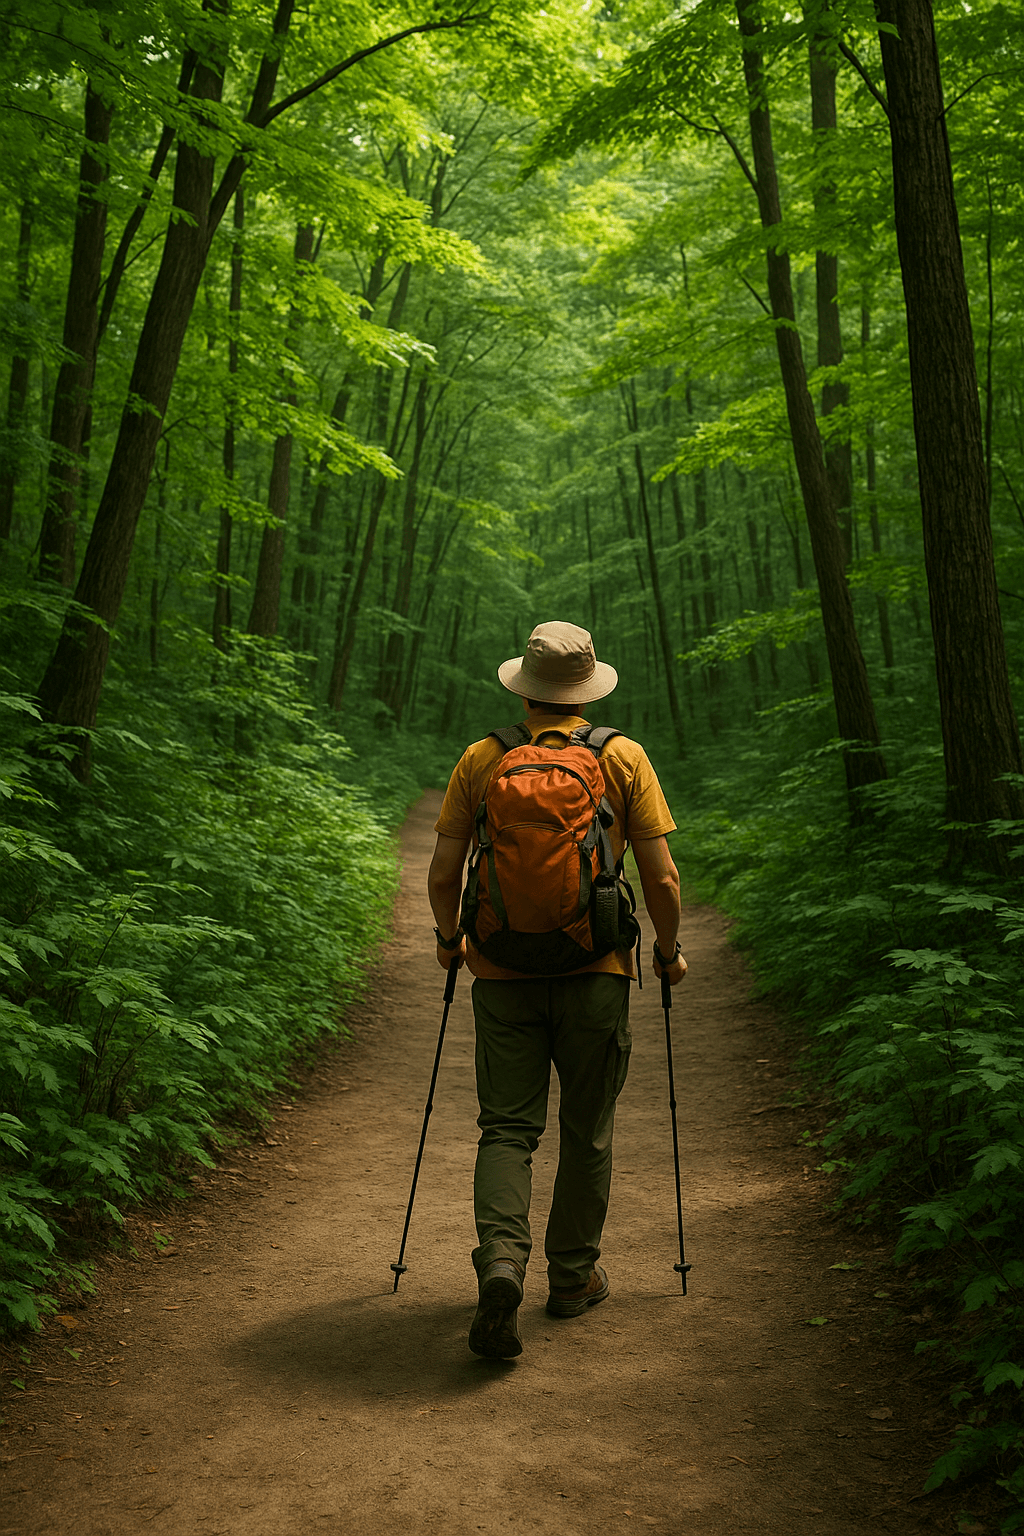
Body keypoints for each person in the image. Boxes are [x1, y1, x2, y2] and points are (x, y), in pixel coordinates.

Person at [427, 620, 686, 1360]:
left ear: (526, 685)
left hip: (501, 970)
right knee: (586, 1129)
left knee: (506, 1129)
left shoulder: (483, 758)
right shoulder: (621, 756)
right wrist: (668, 952)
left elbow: (446, 875)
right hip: (597, 970)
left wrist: (452, 941)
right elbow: (662, 878)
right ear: (585, 685)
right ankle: (572, 1278)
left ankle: (502, 1265)